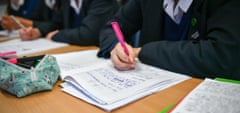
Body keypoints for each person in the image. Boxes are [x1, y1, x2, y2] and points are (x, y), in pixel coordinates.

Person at [98, 0, 240, 80]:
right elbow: (112, 27)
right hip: (149, 91)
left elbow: (223, 56)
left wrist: (142, 51)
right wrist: (115, 46)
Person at [19, 0, 119, 46]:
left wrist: (57, 35)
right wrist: (38, 31)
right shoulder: (65, 2)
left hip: (106, 56)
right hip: (78, 53)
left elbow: (89, 35)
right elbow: (56, 23)